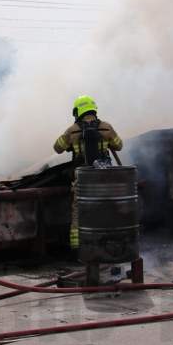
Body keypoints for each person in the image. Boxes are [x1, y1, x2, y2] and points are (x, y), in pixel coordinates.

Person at [53, 95, 123, 254]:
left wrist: (71, 143)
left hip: (82, 177)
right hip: (104, 177)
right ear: (93, 109)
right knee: (107, 209)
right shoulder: (106, 127)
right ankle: (109, 245)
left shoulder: (72, 130)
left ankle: (78, 248)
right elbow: (119, 145)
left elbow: (57, 147)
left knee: (79, 212)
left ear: (78, 111)